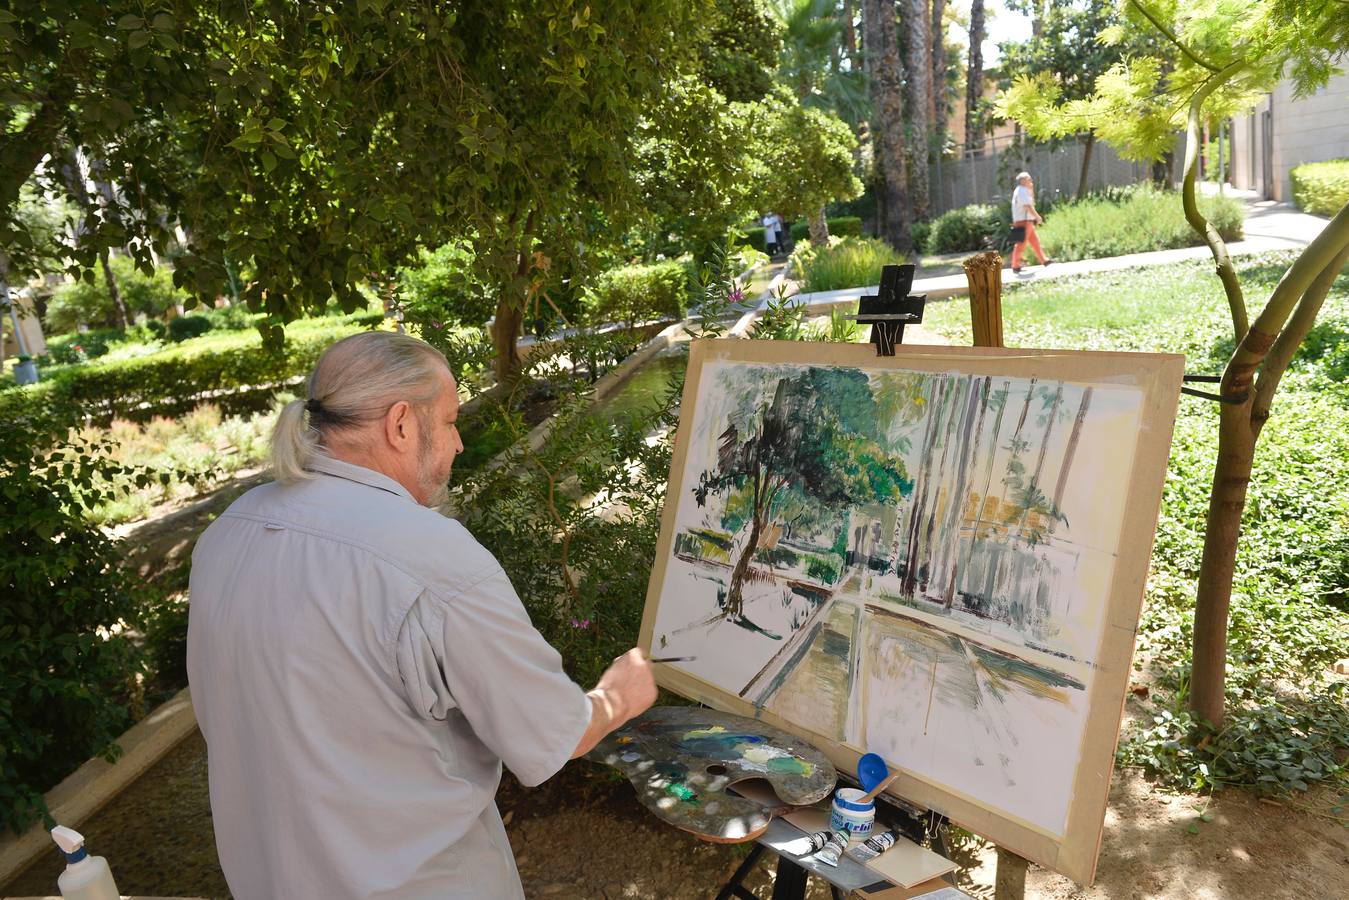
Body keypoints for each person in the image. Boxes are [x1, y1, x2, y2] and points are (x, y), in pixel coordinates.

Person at [186, 331, 658, 900]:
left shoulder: (231, 529)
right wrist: (620, 695)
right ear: (402, 424)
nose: (459, 443)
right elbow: (553, 735)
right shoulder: (431, 557)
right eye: (453, 420)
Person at [1010, 171, 1053, 274]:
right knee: (1021, 244)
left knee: (1035, 241)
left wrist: (1031, 189)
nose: (1031, 180)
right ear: (1023, 180)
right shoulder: (1021, 191)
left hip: (1026, 220)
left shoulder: (1023, 190)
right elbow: (1028, 206)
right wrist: (1037, 217)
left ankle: (1044, 260)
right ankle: (1015, 265)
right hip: (1023, 221)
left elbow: (1031, 202)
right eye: (1028, 179)